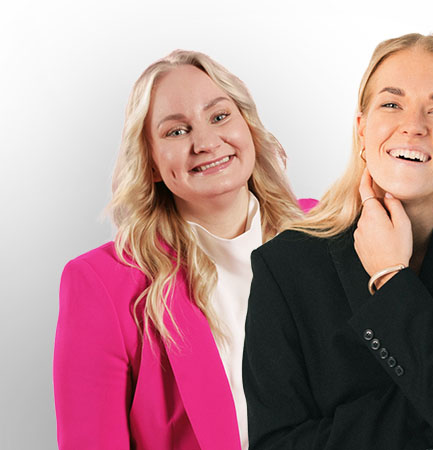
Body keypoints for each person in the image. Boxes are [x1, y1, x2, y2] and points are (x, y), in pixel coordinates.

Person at [242, 33, 433, 450]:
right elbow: (276, 444)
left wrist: (392, 279)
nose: (414, 125)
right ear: (362, 128)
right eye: (391, 104)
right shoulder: (284, 266)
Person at [53, 50, 315, 449]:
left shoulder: (327, 232)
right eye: (176, 131)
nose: (206, 143)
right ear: (152, 164)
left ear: (248, 126)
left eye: (220, 116)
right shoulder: (103, 284)